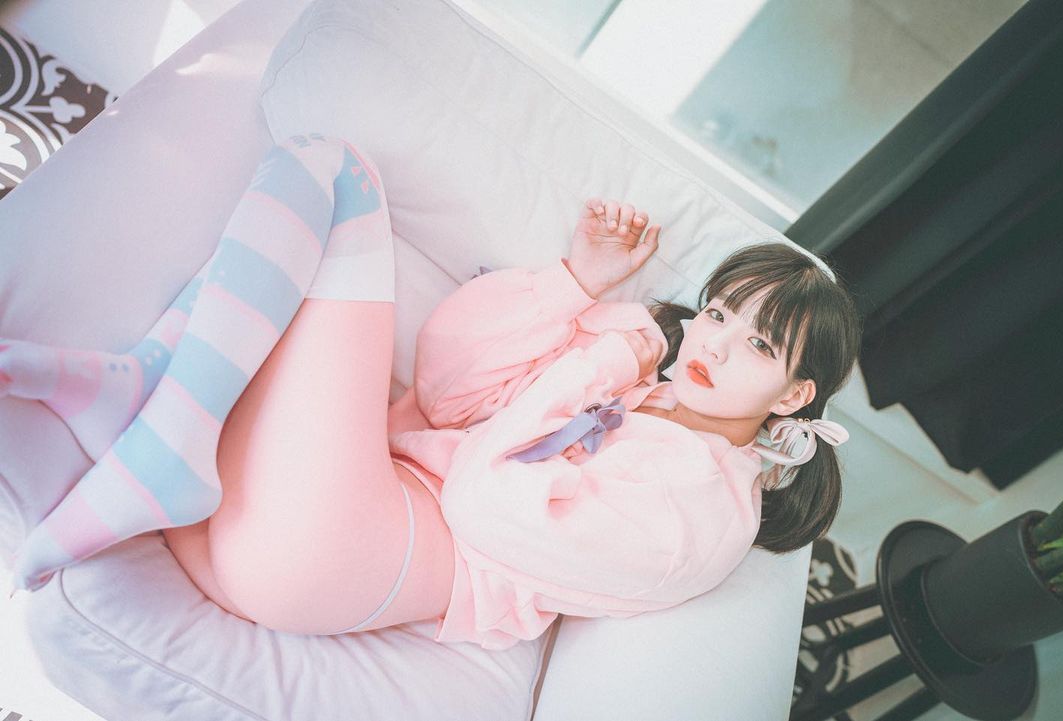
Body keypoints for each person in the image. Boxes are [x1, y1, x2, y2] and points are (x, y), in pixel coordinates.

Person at [2, 134, 860, 650]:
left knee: (337, 173)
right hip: (281, 509)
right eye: (718, 312)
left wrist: (596, 366)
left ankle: (158, 420)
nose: (713, 344)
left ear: (794, 396)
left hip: (336, 553)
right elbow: (448, 388)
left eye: (758, 344)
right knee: (298, 236)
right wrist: (574, 283)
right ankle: (145, 397)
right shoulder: (643, 371)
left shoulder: (697, 511)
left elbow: (481, 503)